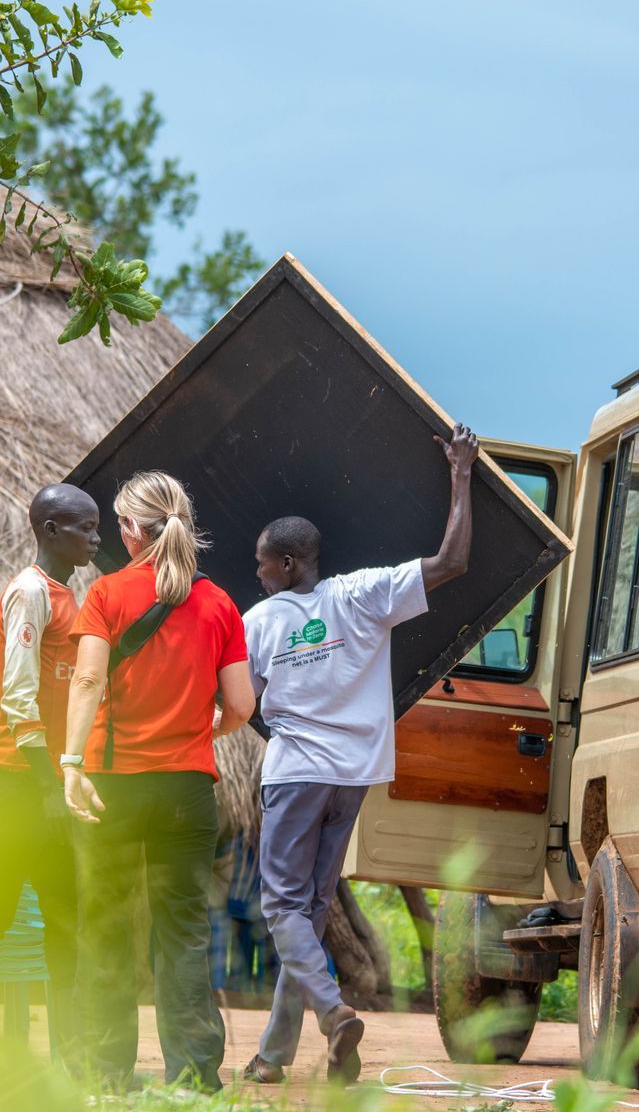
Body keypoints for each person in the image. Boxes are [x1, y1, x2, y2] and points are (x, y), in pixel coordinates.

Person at [238, 425, 479, 1087]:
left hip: (294, 776)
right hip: (356, 775)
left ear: (288, 563)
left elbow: (241, 702)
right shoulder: (362, 593)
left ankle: (335, 1011)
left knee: (282, 908)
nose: (256, 572)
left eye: (262, 562)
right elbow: (452, 561)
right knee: (308, 912)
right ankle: (274, 1055)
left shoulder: (260, 622)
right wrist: (461, 473)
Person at [59, 471, 256, 1092]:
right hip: (186, 792)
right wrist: (202, 732)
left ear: (129, 530)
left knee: (106, 926)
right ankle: (194, 1076)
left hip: (113, 786)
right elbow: (244, 706)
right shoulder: (219, 603)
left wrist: (70, 762)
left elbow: (88, 682)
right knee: (184, 932)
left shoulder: (107, 594)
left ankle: (106, 1076)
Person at [0, 483, 98, 1059]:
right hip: (17, 782)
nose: (96, 539)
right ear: (51, 530)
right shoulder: (30, 593)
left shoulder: (65, 597)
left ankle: (70, 1059)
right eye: (86, 528)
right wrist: (48, 785)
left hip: (40, 782)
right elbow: (17, 698)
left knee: (62, 918)